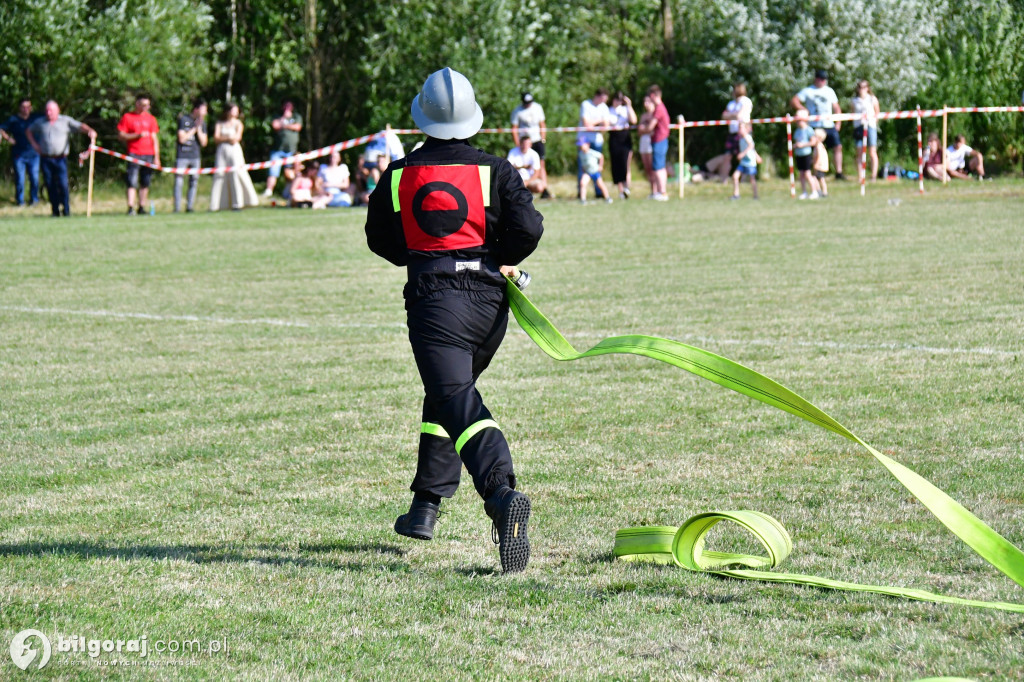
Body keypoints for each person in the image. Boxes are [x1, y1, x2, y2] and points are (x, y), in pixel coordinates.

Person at [365, 67, 544, 574]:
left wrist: (421, 256)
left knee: (455, 397)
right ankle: (426, 504)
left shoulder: (399, 174)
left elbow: (381, 240)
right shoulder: (496, 169)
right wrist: (497, 255)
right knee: (446, 391)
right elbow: (529, 228)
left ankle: (501, 494)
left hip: (435, 299)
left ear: (423, 118)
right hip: (490, 304)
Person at [25, 100, 97, 217]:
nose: (49, 113)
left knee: (63, 184)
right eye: (47, 110)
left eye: (51, 110)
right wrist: (35, 145)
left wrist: (90, 131)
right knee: (50, 184)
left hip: (61, 159)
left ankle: (66, 209)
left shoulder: (65, 121)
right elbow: (28, 131)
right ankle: (55, 210)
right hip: (46, 158)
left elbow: (80, 126)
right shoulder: (40, 122)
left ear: (57, 110)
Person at [792, 69, 844, 180]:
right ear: (816, 79)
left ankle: (838, 173)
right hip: (814, 125)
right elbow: (795, 100)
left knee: (837, 147)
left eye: (824, 79)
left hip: (828, 124)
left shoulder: (829, 91)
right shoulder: (808, 91)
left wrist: (838, 122)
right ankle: (812, 172)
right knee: (815, 150)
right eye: (821, 79)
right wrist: (804, 110)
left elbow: (836, 107)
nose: (823, 81)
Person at [209, 102, 259, 211]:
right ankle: (216, 204)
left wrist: (225, 138)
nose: (236, 112)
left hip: (234, 151)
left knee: (236, 174)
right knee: (220, 174)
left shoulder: (238, 123)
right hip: (222, 151)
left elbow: (237, 138)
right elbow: (216, 138)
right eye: (234, 110)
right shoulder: (220, 123)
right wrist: (227, 139)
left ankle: (237, 203)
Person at [117, 94, 160, 215]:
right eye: (143, 105)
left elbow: (154, 138)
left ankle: (141, 207)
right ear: (137, 104)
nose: (146, 107)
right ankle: (130, 207)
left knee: (145, 182)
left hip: (149, 154)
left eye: (148, 105)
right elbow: (121, 135)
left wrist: (157, 157)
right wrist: (137, 135)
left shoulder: (151, 119)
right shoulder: (128, 117)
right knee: (132, 181)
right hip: (134, 153)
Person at [1, 98, 43, 206]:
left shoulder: (35, 118)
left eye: (28, 107)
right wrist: (9, 139)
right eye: (24, 107)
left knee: (34, 178)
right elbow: (1, 128)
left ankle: (34, 199)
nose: (26, 109)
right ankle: (20, 201)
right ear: (20, 108)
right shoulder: (13, 120)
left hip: (34, 154)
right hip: (19, 154)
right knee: (20, 179)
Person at [510, 93, 550, 198]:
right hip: (524, 141)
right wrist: (517, 143)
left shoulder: (537, 108)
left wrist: (543, 138)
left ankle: (544, 189)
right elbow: (514, 128)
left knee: (541, 164)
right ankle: (525, 187)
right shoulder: (517, 111)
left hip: (536, 140)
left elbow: (542, 124)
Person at [173, 99, 208, 213]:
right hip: (182, 156)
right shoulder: (184, 120)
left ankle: (190, 206)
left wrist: (199, 129)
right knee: (179, 181)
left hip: (195, 156)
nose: (205, 113)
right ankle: (177, 208)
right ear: (196, 109)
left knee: (194, 181)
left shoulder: (203, 123)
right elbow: (182, 138)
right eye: (203, 110)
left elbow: (204, 143)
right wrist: (193, 129)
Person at [264, 101, 303, 197]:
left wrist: (284, 125)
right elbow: (275, 126)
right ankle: (269, 191)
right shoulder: (277, 116)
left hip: (292, 150)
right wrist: (284, 118)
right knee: (273, 171)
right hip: (277, 150)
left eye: (289, 106)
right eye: (285, 106)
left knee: (290, 173)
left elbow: (297, 127)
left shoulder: (296, 117)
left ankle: (288, 192)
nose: (287, 108)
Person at [608, 91, 637, 199]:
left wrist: (629, 105)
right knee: (617, 165)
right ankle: (621, 191)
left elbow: (634, 120)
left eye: (620, 99)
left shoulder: (625, 109)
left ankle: (626, 188)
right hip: (614, 138)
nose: (618, 101)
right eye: (616, 99)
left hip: (625, 138)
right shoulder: (609, 110)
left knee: (626, 164)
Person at [851, 80, 880, 181]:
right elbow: (852, 113)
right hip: (859, 127)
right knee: (859, 152)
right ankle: (860, 176)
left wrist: (873, 123)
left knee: (872, 152)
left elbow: (877, 113)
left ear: (867, 88)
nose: (862, 89)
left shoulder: (872, 99)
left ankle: (873, 176)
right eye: (860, 87)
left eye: (864, 87)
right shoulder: (854, 101)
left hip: (870, 126)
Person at [647, 84, 671, 200]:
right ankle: (661, 192)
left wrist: (643, 130)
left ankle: (663, 192)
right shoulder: (660, 107)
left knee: (658, 168)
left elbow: (651, 126)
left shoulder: (659, 108)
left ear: (653, 95)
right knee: (659, 167)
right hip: (661, 140)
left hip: (659, 140)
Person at [722, 83, 753, 172]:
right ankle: (724, 180)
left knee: (746, 155)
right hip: (732, 132)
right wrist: (734, 114)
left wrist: (730, 115)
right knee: (727, 156)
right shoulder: (731, 103)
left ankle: (746, 178)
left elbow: (740, 115)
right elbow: (724, 116)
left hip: (744, 132)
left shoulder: (746, 101)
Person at [792, 110, 820, 199]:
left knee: (808, 174)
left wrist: (803, 145)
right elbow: (797, 141)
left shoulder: (808, 130)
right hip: (799, 154)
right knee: (801, 174)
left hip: (806, 154)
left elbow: (813, 142)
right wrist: (796, 146)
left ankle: (814, 191)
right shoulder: (797, 131)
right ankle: (804, 192)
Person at [730, 122, 760, 200]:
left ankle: (756, 196)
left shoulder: (747, 137)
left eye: (741, 128)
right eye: (739, 128)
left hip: (750, 162)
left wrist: (742, 154)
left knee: (752, 179)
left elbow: (751, 146)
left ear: (746, 129)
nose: (739, 130)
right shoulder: (741, 138)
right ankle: (736, 195)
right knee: (735, 176)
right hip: (743, 162)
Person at [637, 95, 656, 192]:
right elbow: (639, 131)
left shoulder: (655, 115)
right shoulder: (643, 116)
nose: (645, 104)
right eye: (644, 102)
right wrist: (645, 130)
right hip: (643, 142)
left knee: (653, 166)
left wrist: (645, 129)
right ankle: (652, 190)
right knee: (647, 168)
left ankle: (656, 190)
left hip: (651, 142)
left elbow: (651, 130)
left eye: (647, 102)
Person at [812, 128, 830, 197]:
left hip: (820, 165)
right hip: (822, 165)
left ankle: (819, 191)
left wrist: (816, 164)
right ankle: (823, 191)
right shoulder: (820, 145)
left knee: (816, 178)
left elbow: (818, 156)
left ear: (819, 138)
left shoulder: (818, 146)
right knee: (821, 178)